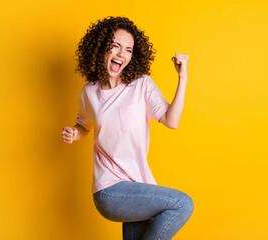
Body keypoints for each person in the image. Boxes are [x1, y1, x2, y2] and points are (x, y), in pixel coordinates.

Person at [62, 16, 193, 240]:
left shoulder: (141, 84)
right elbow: (84, 124)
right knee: (182, 204)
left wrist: (183, 77)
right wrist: (75, 133)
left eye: (129, 50)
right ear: (101, 48)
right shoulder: (89, 92)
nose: (122, 54)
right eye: (115, 46)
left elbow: (172, 121)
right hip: (110, 189)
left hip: (139, 185)